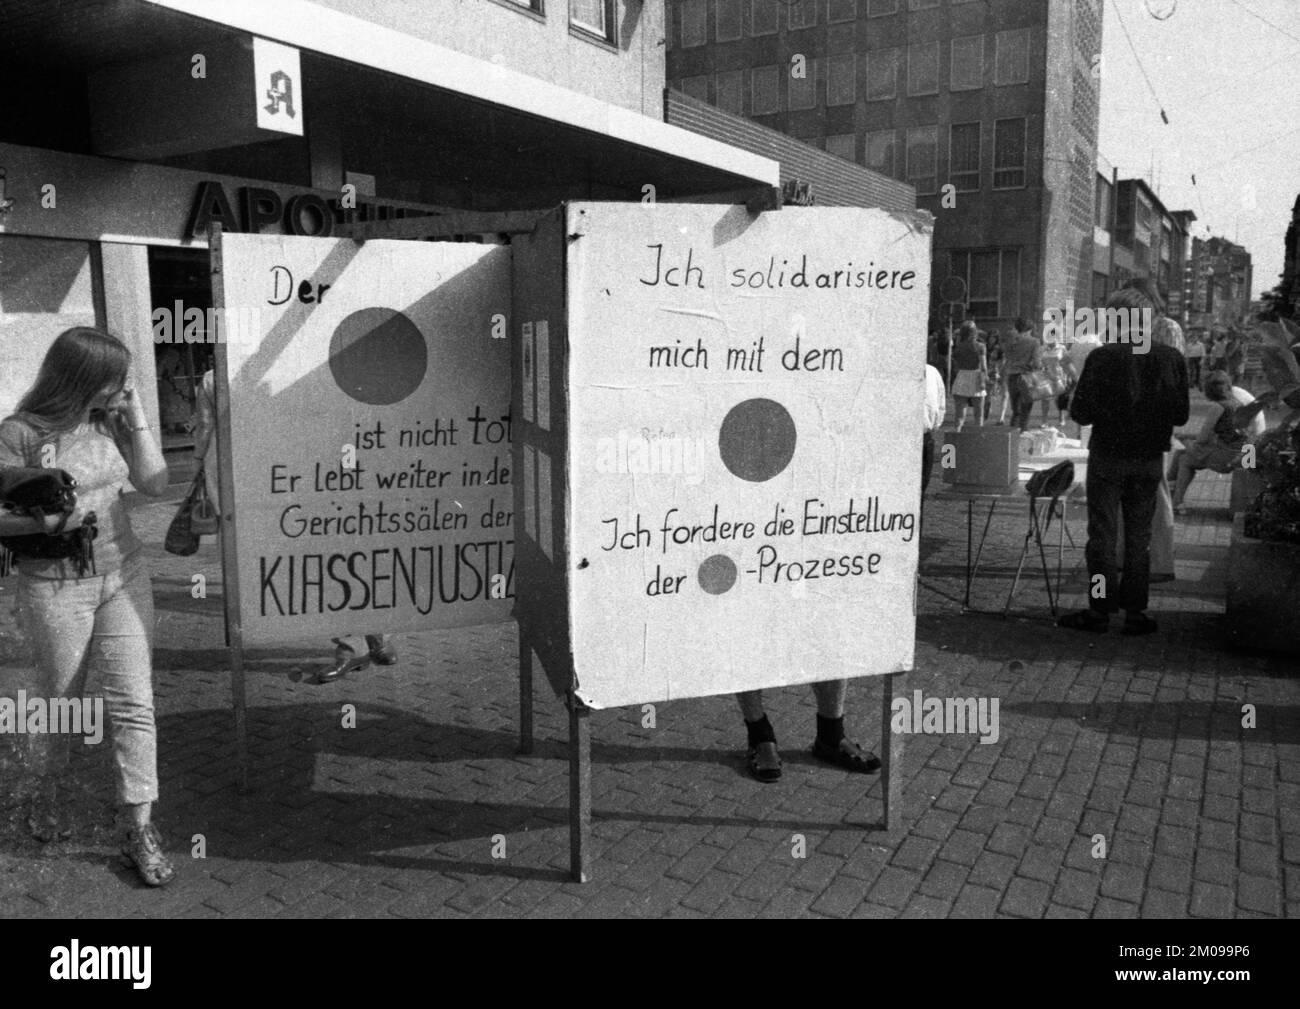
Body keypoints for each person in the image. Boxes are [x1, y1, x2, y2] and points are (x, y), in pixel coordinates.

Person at [0, 328, 175, 885]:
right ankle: (47, 793)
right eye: (114, 379)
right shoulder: (19, 434)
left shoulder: (112, 421)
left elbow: (155, 482)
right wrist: (46, 522)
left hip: (123, 575)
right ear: (78, 378)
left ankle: (138, 827)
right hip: (54, 585)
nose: (121, 388)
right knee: (63, 704)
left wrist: (138, 412)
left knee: (133, 702)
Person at [192, 369, 397, 685]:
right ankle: (372, 638)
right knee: (333, 557)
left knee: (314, 562)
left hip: (245, 474)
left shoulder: (213, 376)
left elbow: (205, 430)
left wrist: (199, 462)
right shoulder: (292, 365)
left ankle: (355, 643)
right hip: (296, 472)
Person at [1058, 289, 1190, 635]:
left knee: (1101, 538)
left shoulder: (1104, 357)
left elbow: (1081, 414)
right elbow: (1181, 414)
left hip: (1108, 459)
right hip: (1148, 461)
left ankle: (1099, 610)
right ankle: (1135, 613)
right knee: (1139, 538)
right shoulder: (1170, 357)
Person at [1169, 369, 1267, 513]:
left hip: (1229, 457)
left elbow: (1202, 439)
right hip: (1246, 452)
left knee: (1184, 458)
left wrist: (1186, 441)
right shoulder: (1238, 403)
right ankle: (1173, 499)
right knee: (1184, 453)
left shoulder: (1218, 407)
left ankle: (1175, 501)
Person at [1003, 317, 1043, 431]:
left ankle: (1011, 438)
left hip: (1012, 376)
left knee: (1016, 411)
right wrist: (1041, 367)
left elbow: (1007, 357)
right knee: (1025, 411)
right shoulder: (1034, 342)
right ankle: (1022, 435)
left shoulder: (1011, 341)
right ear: (1030, 328)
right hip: (1026, 377)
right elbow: (1036, 362)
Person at [950, 321, 987, 431]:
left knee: (960, 412)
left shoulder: (958, 347)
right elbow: (984, 366)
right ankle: (978, 437)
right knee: (978, 413)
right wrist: (984, 379)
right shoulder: (980, 346)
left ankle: (957, 434)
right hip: (976, 376)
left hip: (962, 376)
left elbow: (955, 364)